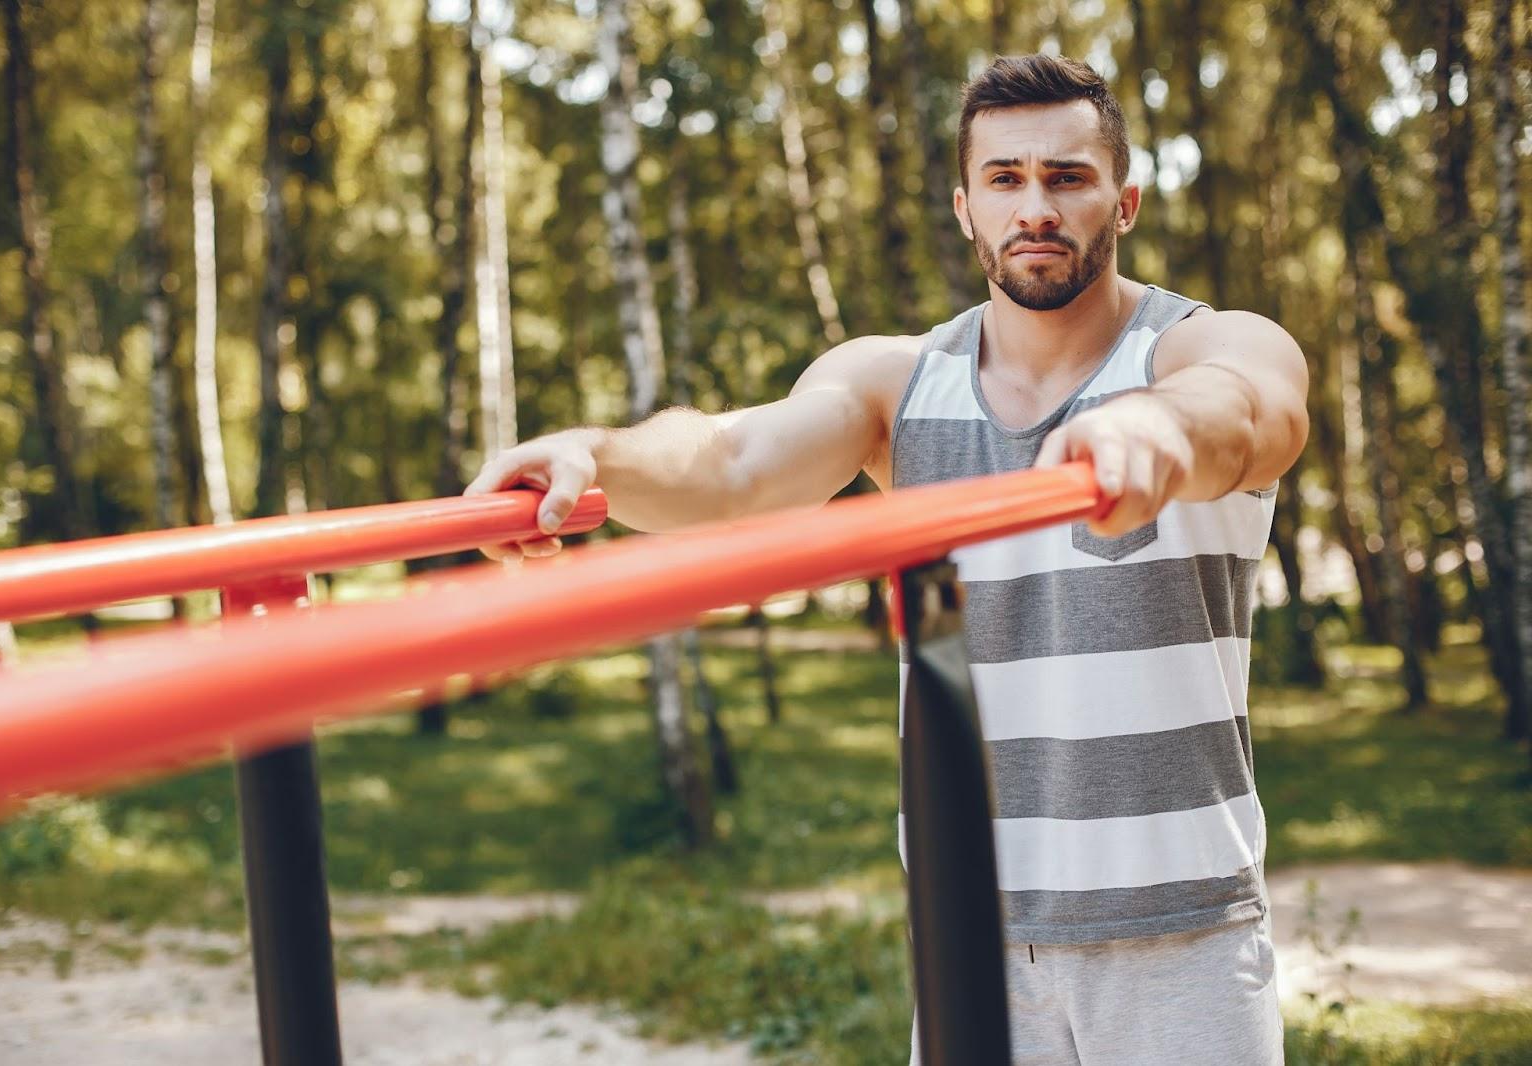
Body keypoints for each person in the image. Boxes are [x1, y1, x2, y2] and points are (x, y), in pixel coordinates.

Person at [466, 53, 1307, 1066]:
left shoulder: (1199, 348)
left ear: (1123, 199)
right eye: (1004, 179)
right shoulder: (895, 383)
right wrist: (593, 455)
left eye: (1066, 177)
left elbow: (1250, 411)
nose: (1033, 206)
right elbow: (729, 459)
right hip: (972, 933)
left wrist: (1156, 434)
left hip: (1181, 934)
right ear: (964, 207)